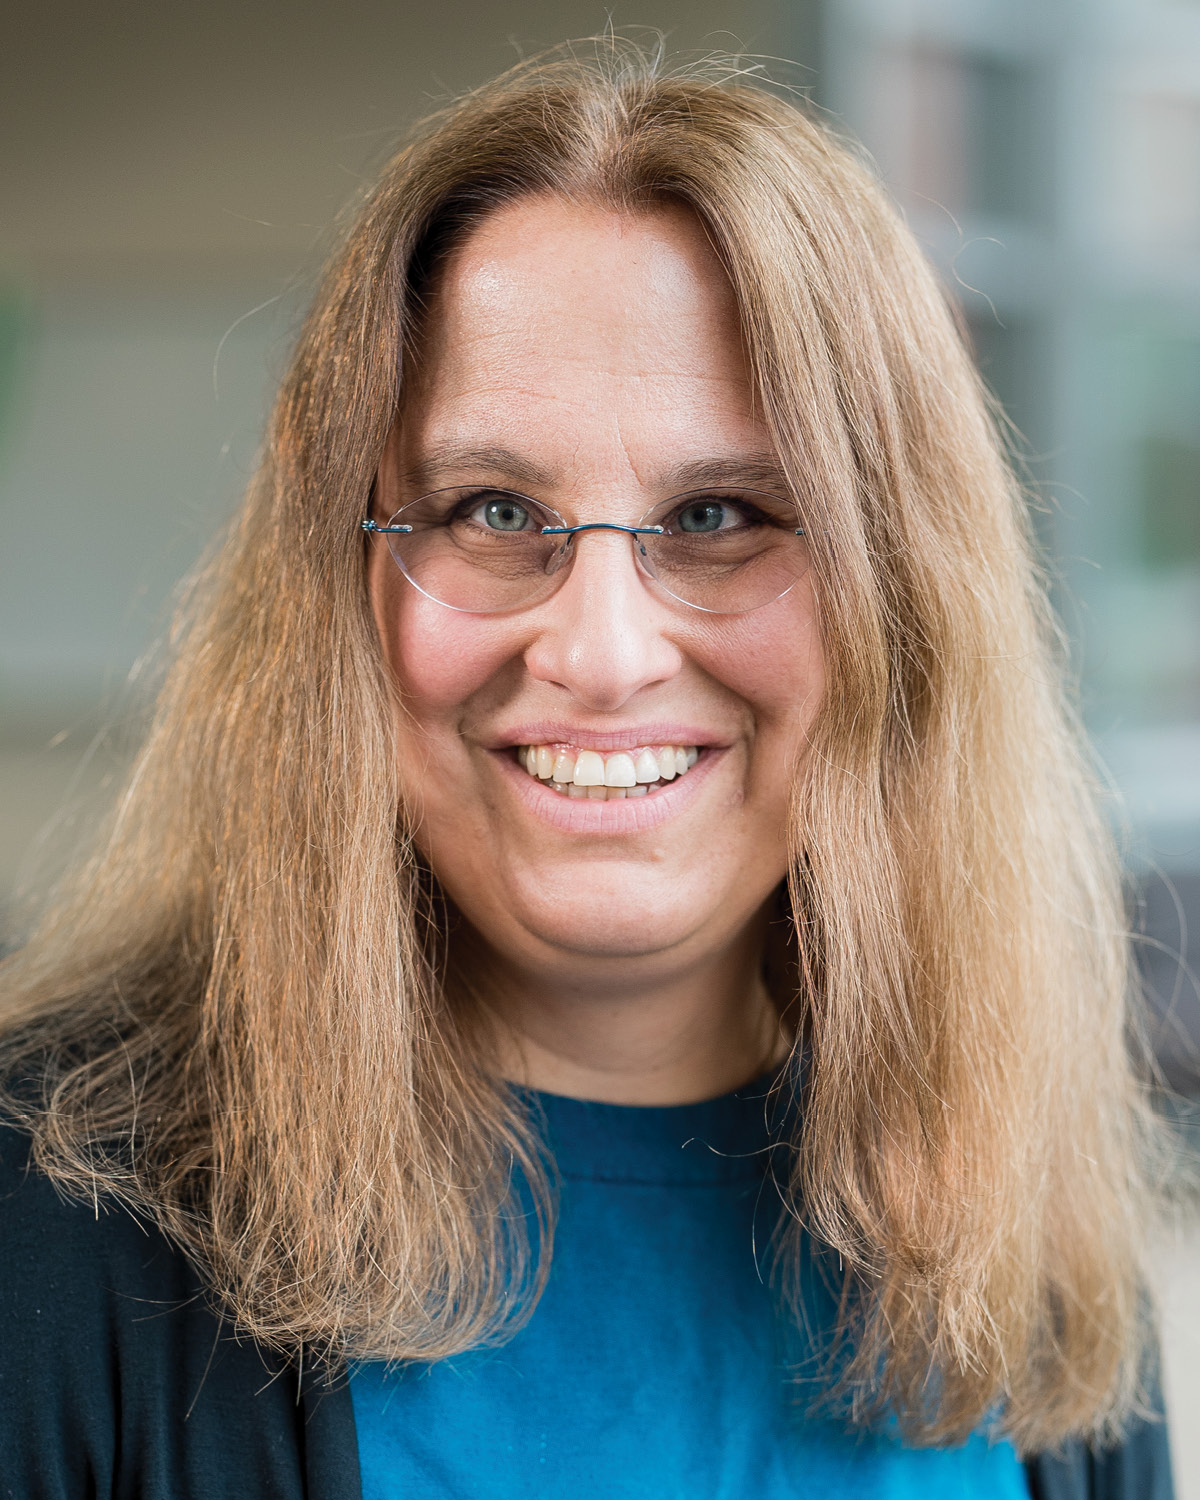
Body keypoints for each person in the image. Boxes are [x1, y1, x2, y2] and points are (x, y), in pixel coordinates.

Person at [0, 38, 1176, 1499]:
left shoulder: (1036, 1256)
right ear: (341, 593)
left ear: (905, 601)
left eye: (722, 513)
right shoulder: (43, 1238)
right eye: (494, 508)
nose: (604, 651)